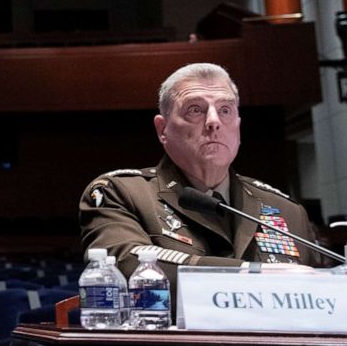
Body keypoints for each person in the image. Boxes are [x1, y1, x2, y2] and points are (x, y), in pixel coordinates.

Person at [79, 62, 326, 297]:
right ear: (162, 129)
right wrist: (251, 274)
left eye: (225, 110)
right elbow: (125, 266)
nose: (214, 122)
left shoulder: (287, 211)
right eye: (195, 109)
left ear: (238, 125)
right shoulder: (120, 194)